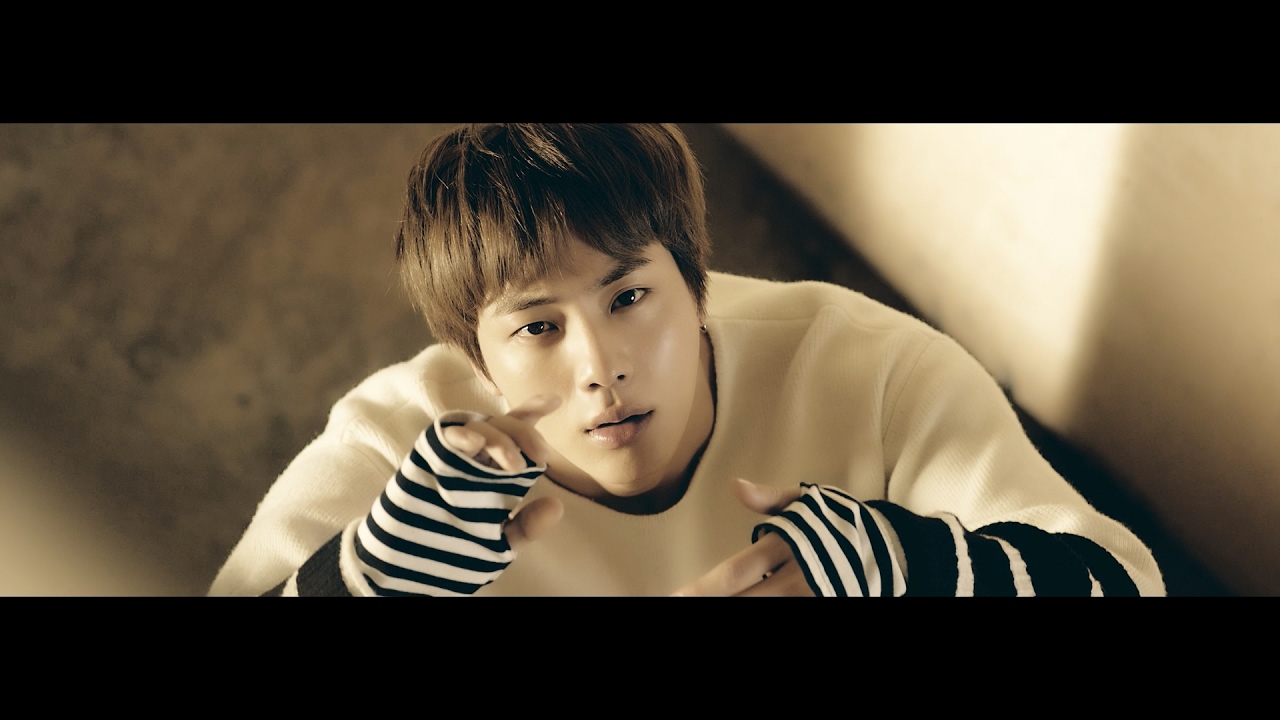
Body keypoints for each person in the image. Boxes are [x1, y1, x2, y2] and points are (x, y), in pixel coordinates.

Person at [209, 124, 1164, 597]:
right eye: (538, 328)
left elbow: (1125, 585)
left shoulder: (867, 367)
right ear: (474, 355)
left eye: (629, 298)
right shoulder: (392, 443)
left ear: (695, 281)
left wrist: (904, 568)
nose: (599, 366)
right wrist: (369, 583)